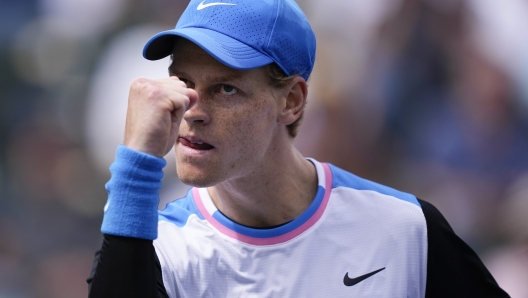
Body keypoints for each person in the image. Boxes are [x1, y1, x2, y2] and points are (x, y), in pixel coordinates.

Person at [87, 0, 509, 297]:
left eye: (226, 89)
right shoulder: (159, 247)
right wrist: (134, 167)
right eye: (183, 83)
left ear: (291, 101)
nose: (191, 111)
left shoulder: (405, 231)